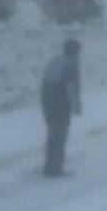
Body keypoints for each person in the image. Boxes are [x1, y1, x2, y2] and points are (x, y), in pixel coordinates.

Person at [40, 38, 82, 178]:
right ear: (74, 51)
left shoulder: (55, 61)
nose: (79, 55)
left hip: (47, 100)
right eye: (78, 52)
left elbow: (45, 81)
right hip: (60, 103)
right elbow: (70, 88)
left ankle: (49, 164)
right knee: (60, 135)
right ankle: (55, 168)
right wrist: (76, 106)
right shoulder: (70, 65)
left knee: (52, 133)